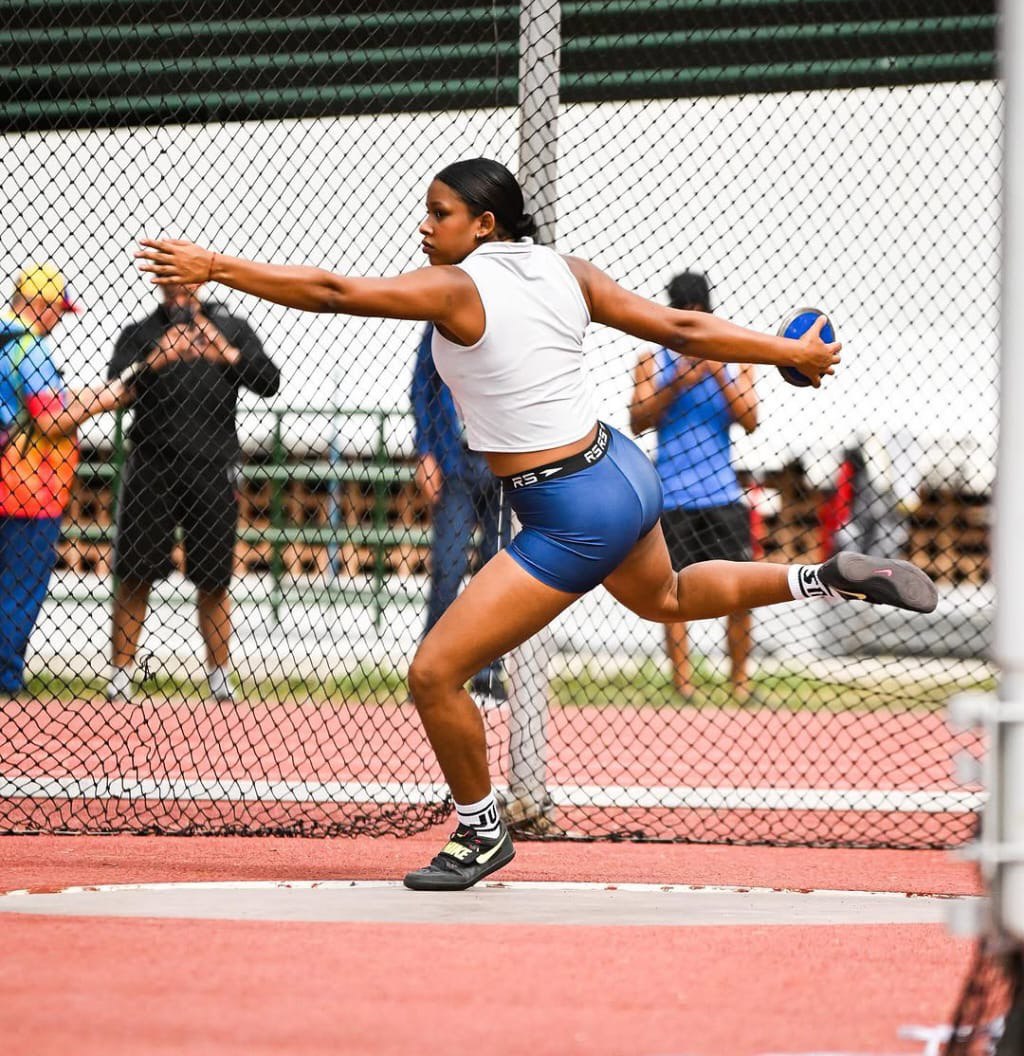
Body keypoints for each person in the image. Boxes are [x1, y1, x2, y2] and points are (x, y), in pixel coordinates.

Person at [136, 157, 939, 891]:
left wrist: (217, 268)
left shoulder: (457, 287)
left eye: (440, 213)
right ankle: (824, 576)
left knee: (433, 673)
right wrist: (786, 353)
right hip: (620, 467)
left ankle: (481, 832)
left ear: (484, 224)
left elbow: (337, 292)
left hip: (567, 507)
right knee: (665, 597)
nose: (426, 226)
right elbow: (684, 330)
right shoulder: (567, 271)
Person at [0, 263, 179, 699]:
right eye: (56, 310)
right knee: (19, 589)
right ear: (39, 306)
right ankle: (5, 679)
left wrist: (98, 395)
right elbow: (51, 418)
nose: (59, 319)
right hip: (26, 489)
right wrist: (109, 400)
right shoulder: (31, 349)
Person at [105, 281, 281, 703]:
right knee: (134, 572)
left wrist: (227, 354)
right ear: (160, 283)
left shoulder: (231, 327)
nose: (179, 289)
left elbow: (269, 380)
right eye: (170, 280)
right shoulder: (141, 332)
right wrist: (156, 359)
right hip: (151, 463)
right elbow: (115, 385)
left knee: (215, 578)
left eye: (186, 279)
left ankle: (220, 676)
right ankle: (120, 676)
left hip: (213, 466)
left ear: (200, 282)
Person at [629, 270, 759, 704]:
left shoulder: (735, 356)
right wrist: (679, 382)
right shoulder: (652, 359)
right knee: (673, 594)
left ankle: (740, 683)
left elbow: (751, 420)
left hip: (722, 495)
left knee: (742, 592)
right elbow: (638, 419)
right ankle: (683, 684)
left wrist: (717, 371)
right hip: (671, 497)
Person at [411, 325, 508, 702]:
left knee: (497, 570)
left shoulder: (511, 314)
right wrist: (425, 451)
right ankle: (431, 671)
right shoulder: (443, 320)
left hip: (502, 463)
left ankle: (488, 672)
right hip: (456, 462)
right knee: (448, 567)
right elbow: (422, 385)